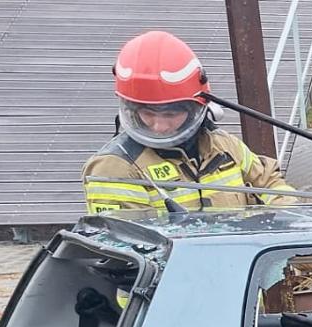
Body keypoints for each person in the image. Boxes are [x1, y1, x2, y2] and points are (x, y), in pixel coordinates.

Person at [83, 31, 296, 214]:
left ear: (197, 107)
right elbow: (129, 248)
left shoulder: (223, 146)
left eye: (170, 114)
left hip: (240, 260)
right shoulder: (114, 169)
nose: (159, 126)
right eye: (147, 113)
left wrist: (291, 222)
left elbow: (269, 183)